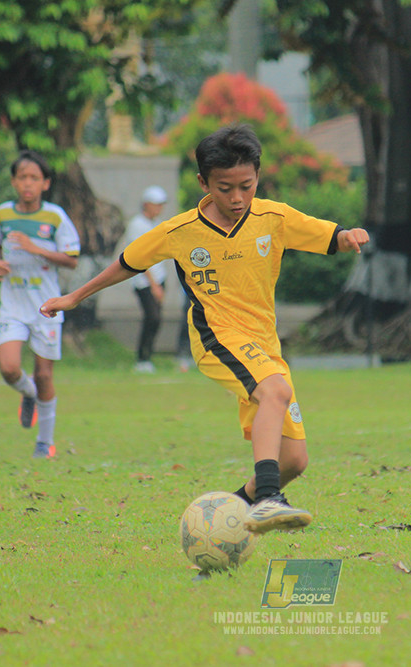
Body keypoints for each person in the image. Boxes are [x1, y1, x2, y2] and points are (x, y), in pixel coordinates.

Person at [40, 124, 369, 534]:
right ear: (203, 183)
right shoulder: (180, 232)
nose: (236, 198)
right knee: (276, 391)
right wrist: (74, 298)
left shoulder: (273, 217)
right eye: (224, 187)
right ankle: (268, 499)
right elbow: (128, 263)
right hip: (217, 339)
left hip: (264, 344)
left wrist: (350, 236)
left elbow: (328, 236)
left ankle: (222, 517)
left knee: (294, 460)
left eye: (245, 186)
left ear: (257, 178)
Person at [0, 150, 80, 459]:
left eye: (34, 178)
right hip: (13, 303)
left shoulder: (55, 217)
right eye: (22, 177)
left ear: (45, 183)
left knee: (44, 375)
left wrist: (34, 247)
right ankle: (28, 394)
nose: (28, 184)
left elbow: (70, 260)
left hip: (46, 305)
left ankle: (45, 443)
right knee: (9, 367)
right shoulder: (3, 212)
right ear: (14, 182)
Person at [122, 185, 170, 373]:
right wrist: (154, 285)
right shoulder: (137, 224)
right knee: (152, 317)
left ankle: (148, 357)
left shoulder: (157, 223)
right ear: (146, 204)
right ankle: (142, 358)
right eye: (156, 204)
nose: (159, 208)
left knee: (156, 319)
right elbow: (139, 257)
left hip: (159, 278)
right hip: (144, 281)